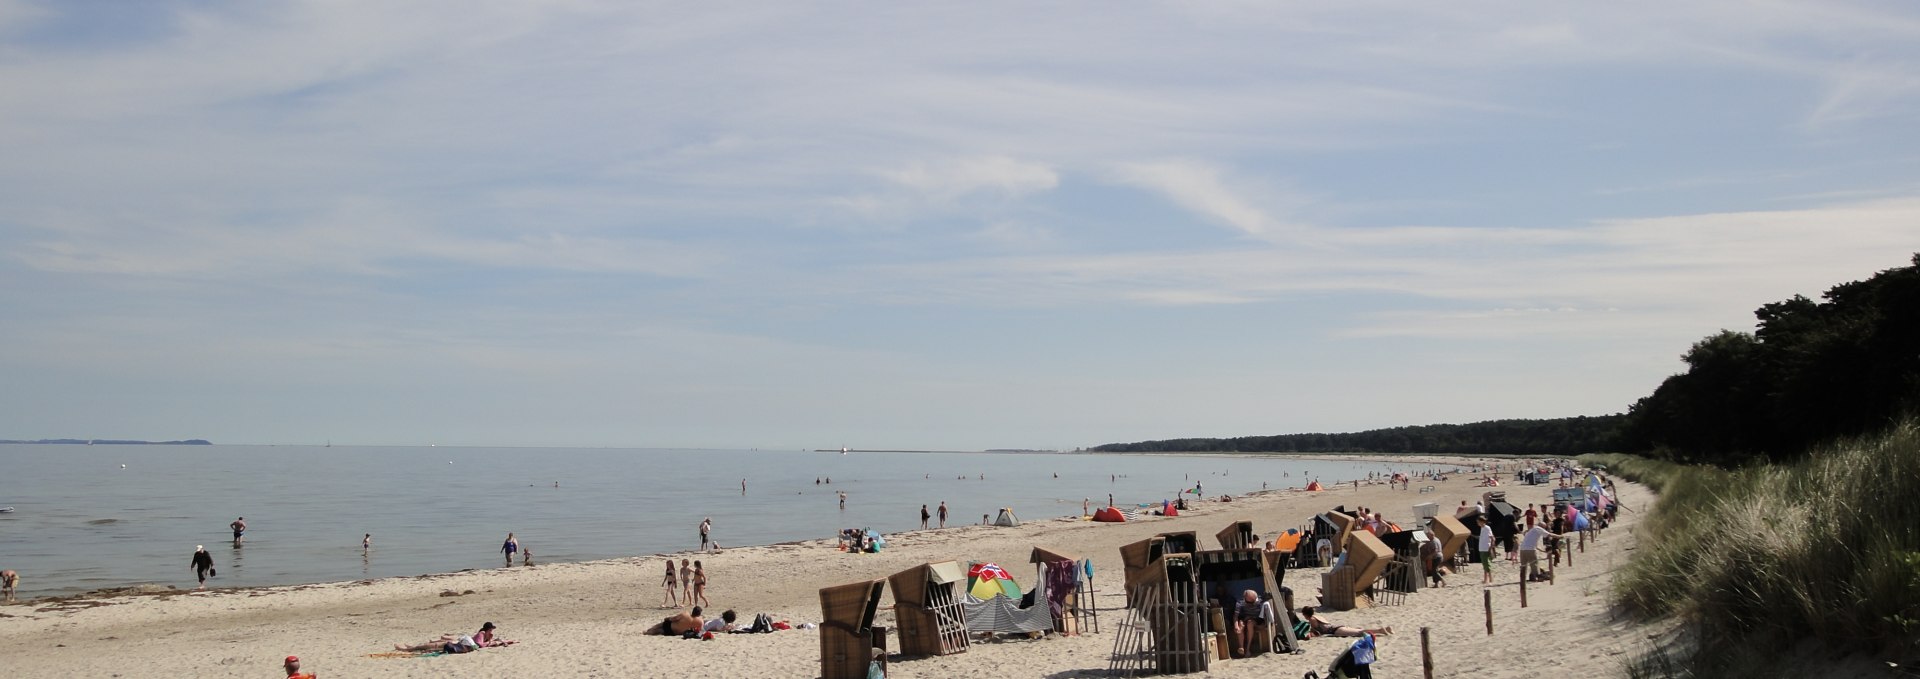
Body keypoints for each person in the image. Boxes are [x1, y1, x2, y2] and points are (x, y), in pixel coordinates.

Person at [1301, 606, 1390, 638]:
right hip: (1336, 627)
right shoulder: (1316, 616)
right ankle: (1387, 629)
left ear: (1306, 614)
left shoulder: (1312, 620)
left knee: (1359, 632)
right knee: (1359, 631)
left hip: (1335, 630)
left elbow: (1318, 631)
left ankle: (1380, 630)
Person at [1233, 589, 1274, 658]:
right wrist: (1236, 626)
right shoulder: (1240, 602)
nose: (1253, 603)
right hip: (1245, 618)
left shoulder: (1260, 600)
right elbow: (1235, 616)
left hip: (1256, 619)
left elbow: (1270, 597)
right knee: (1240, 624)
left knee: (1250, 623)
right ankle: (1241, 647)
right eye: (1251, 603)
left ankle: (1248, 649)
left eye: (1254, 601)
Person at [1477, 516, 1495, 584]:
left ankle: (1489, 578)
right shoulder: (1482, 528)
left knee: (1487, 564)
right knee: (1485, 564)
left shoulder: (1487, 528)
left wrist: (1491, 547)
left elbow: (1492, 537)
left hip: (1485, 548)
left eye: (1478, 522)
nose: (1478, 523)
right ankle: (1486, 579)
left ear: (1482, 521)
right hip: (1482, 548)